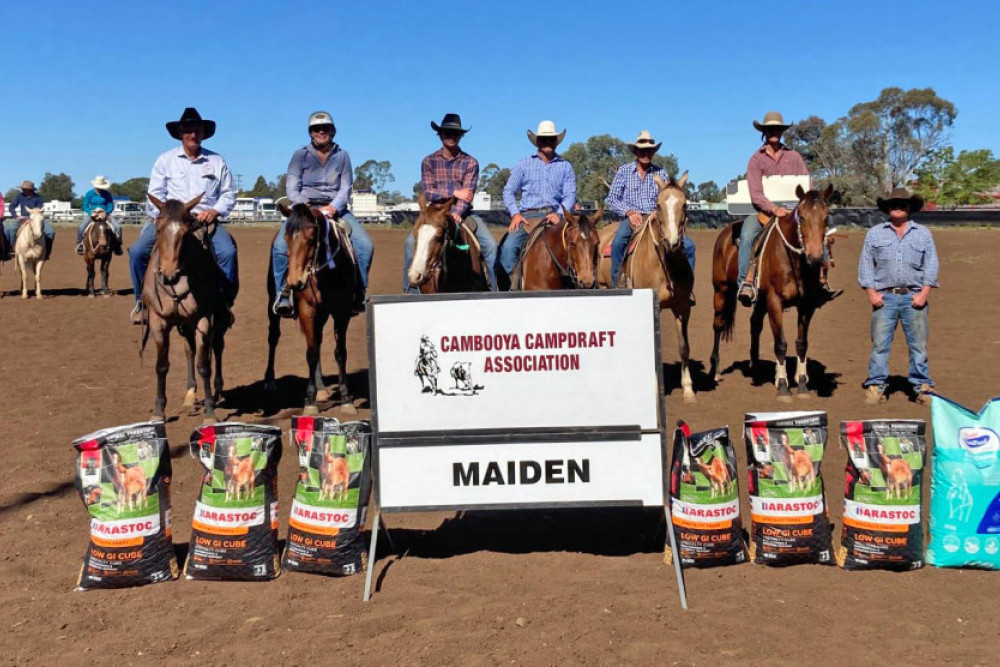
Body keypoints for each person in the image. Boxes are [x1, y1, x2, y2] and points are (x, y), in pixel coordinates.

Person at [128, 107, 238, 324]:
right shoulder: (165, 160)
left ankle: (224, 304)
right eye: (188, 131)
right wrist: (158, 214)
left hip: (203, 220)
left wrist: (215, 211)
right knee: (137, 251)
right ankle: (142, 302)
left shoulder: (217, 161)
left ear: (203, 133)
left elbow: (228, 193)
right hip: (171, 220)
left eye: (197, 130)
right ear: (180, 133)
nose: (193, 135)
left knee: (228, 252)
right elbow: (155, 194)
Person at [272, 110, 373, 316]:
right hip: (305, 209)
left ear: (332, 131)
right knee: (280, 246)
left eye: (325, 128)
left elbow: (346, 187)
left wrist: (333, 207)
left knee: (365, 246)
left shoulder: (342, 155)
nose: (321, 132)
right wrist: (307, 208)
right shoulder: (300, 155)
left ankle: (358, 292)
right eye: (316, 129)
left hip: (335, 209)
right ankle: (283, 293)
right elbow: (292, 188)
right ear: (311, 132)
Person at [737, 111, 841, 306]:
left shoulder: (794, 157)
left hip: (794, 212)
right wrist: (774, 209)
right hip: (764, 213)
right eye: (770, 129)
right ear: (764, 132)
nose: (774, 132)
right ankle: (746, 282)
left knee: (819, 233)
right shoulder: (756, 160)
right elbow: (756, 193)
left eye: (777, 129)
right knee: (747, 235)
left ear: (782, 131)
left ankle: (822, 281)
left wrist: (802, 207)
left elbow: (806, 184)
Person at [858, 187, 939, 405]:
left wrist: (923, 293)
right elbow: (866, 264)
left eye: (902, 204)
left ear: (910, 207)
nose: (898, 207)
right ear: (887, 208)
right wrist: (871, 294)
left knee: (918, 346)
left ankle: (922, 386)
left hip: (914, 297)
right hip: (884, 298)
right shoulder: (874, 233)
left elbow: (931, 265)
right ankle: (876, 386)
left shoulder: (923, 233)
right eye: (893, 204)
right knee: (880, 346)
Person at [403, 113, 498, 292]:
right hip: (433, 212)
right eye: (447, 133)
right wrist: (454, 192)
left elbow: (468, 196)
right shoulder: (428, 161)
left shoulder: (471, 162)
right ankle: (410, 290)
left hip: (462, 212)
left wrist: (457, 213)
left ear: (461, 136)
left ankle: (494, 290)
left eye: (455, 133)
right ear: (440, 135)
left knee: (491, 246)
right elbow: (429, 192)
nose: (451, 136)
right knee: (409, 243)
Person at [606, 130, 696, 288]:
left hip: (655, 217)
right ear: (636, 151)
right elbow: (613, 198)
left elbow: (668, 197)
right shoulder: (624, 171)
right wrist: (629, 213)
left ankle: (686, 288)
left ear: (653, 152)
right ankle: (617, 284)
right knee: (619, 242)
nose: (645, 153)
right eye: (642, 150)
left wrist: (658, 212)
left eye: (649, 150)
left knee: (688, 246)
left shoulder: (661, 173)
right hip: (632, 218)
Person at [498, 120, 576, 289]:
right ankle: (509, 290)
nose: (548, 143)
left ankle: (580, 285)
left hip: (555, 217)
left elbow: (570, 195)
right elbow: (508, 191)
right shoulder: (523, 164)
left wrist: (560, 214)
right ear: (538, 141)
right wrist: (515, 214)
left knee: (580, 244)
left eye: (551, 139)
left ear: (556, 141)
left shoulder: (565, 167)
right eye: (544, 139)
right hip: (528, 217)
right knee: (508, 249)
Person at [5, 180, 54, 259]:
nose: (23, 190)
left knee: (50, 232)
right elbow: (11, 206)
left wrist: (32, 218)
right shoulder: (20, 196)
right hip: (22, 218)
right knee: (11, 229)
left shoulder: (38, 198)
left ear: (30, 190)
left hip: (36, 219)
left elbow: (39, 210)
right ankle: (12, 249)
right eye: (22, 189)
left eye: (24, 189)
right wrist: (16, 216)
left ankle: (46, 253)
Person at [76, 175, 122, 255]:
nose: (100, 188)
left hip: (105, 214)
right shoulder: (89, 194)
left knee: (118, 227)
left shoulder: (107, 194)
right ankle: (80, 244)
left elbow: (110, 205)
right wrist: (91, 213)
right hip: (93, 214)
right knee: (81, 227)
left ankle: (117, 245)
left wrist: (106, 213)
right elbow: (85, 205)